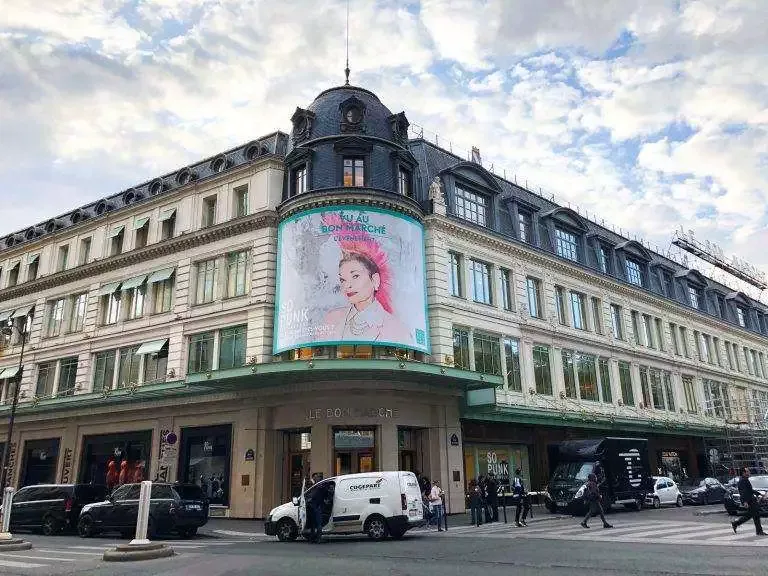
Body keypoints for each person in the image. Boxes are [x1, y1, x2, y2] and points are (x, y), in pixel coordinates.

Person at [323, 249, 411, 344]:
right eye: (343, 280)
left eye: (355, 276)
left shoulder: (397, 328)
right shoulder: (331, 318)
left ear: (375, 280)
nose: (347, 286)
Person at [732, 467, 766, 536]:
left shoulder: (745, 480)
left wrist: (758, 493)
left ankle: (736, 523)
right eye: (747, 471)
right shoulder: (742, 481)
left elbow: (750, 490)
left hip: (751, 500)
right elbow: (743, 492)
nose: (749, 473)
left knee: (751, 515)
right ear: (743, 473)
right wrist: (745, 502)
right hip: (750, 501)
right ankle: (759, 531)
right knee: (755, 515)